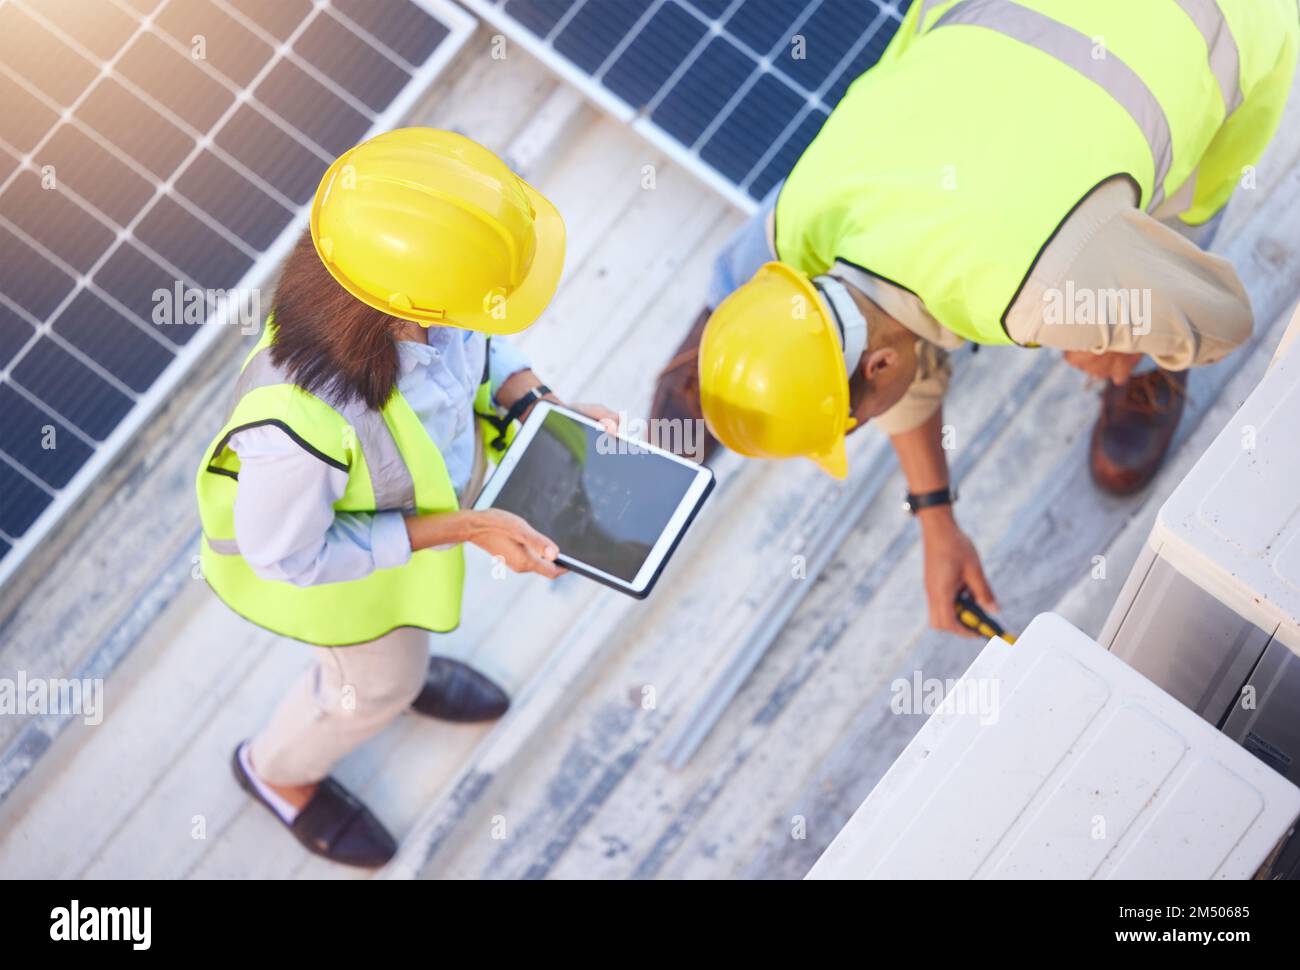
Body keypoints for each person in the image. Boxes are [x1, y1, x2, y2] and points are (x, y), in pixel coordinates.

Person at [653, 0, 1297, 637]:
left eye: (859, 420)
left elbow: (1226, 318)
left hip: (1231, 17)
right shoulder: (799, 215)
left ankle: (1149, 369)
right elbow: (890, 345)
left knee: (1182, 209)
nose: (869, 422)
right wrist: (936, 517)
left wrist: (1124, 339)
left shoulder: (1037, 295)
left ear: (880, 367)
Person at [195, 129, 616, 867]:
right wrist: (468, 527)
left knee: (402, 660)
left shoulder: (408, 290)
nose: (487, 313)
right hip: (342, 589)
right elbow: (291, 557)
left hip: (406, 554)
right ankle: (278, 770)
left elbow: (484, 349)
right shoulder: (296, 427)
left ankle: (406, 672)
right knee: (371, 686)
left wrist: (537, 407)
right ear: (404, 306)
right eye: (479, 300)